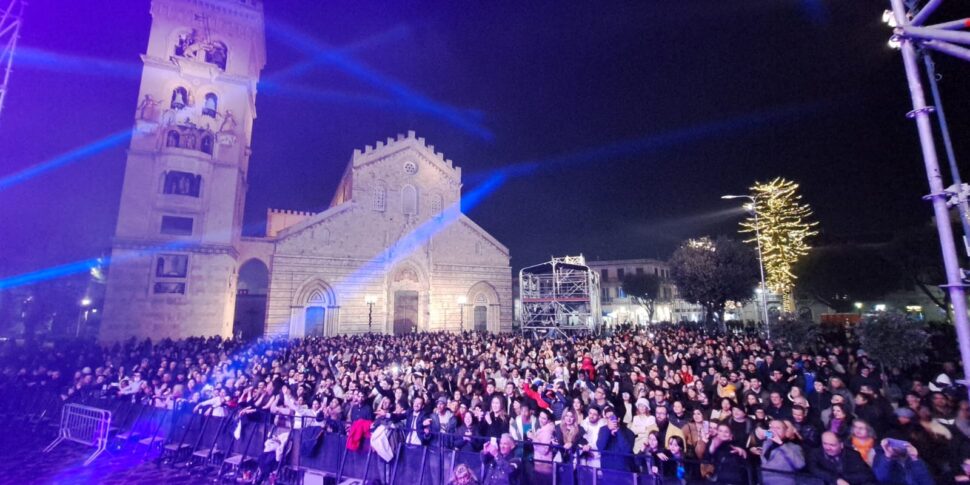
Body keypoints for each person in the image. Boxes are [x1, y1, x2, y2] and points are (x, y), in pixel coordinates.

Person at [807, 431, 876, 485]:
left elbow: (866, 476)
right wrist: (836, 480)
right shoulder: (815, 453)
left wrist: (844, 479)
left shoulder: (853, 455)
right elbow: (814, 469)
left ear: (841, 445)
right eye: (825, 444)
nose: (827, 448)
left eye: (832, 445)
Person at [759, 420, 805, 485]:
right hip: (764, 481)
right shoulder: (766, 443)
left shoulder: (794, 447)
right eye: (772, 427)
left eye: (778, 428)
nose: (774, 430)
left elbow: (800, 465)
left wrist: (781, 444)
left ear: (785, 431)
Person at [596, 407, 635, 472]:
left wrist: (618, 431)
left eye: (611, 417)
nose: (609, 420)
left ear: (618, 419)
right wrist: (608, 430)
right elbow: (600, 447)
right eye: (607, 418)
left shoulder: (629, 432)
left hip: (624, 470)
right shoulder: (603, 430)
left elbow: (627, 450)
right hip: (607, 469)